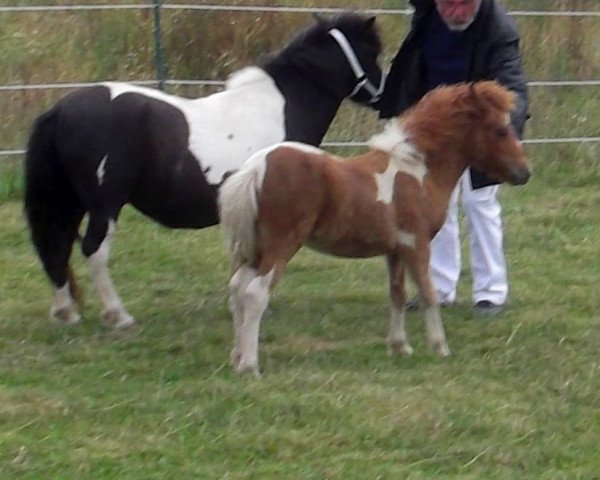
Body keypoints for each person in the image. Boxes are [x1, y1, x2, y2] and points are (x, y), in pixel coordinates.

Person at [377, 0, 529, 316]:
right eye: (449, 3)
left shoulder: (498, 30)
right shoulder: (425, 17)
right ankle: (440, 288)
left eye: (465, 3)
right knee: (434, 205)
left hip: (479, 133)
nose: (457, 12)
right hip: (435, 128)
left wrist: (504, 134)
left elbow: (512, 84)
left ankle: (491, 293)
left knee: (480, 202)